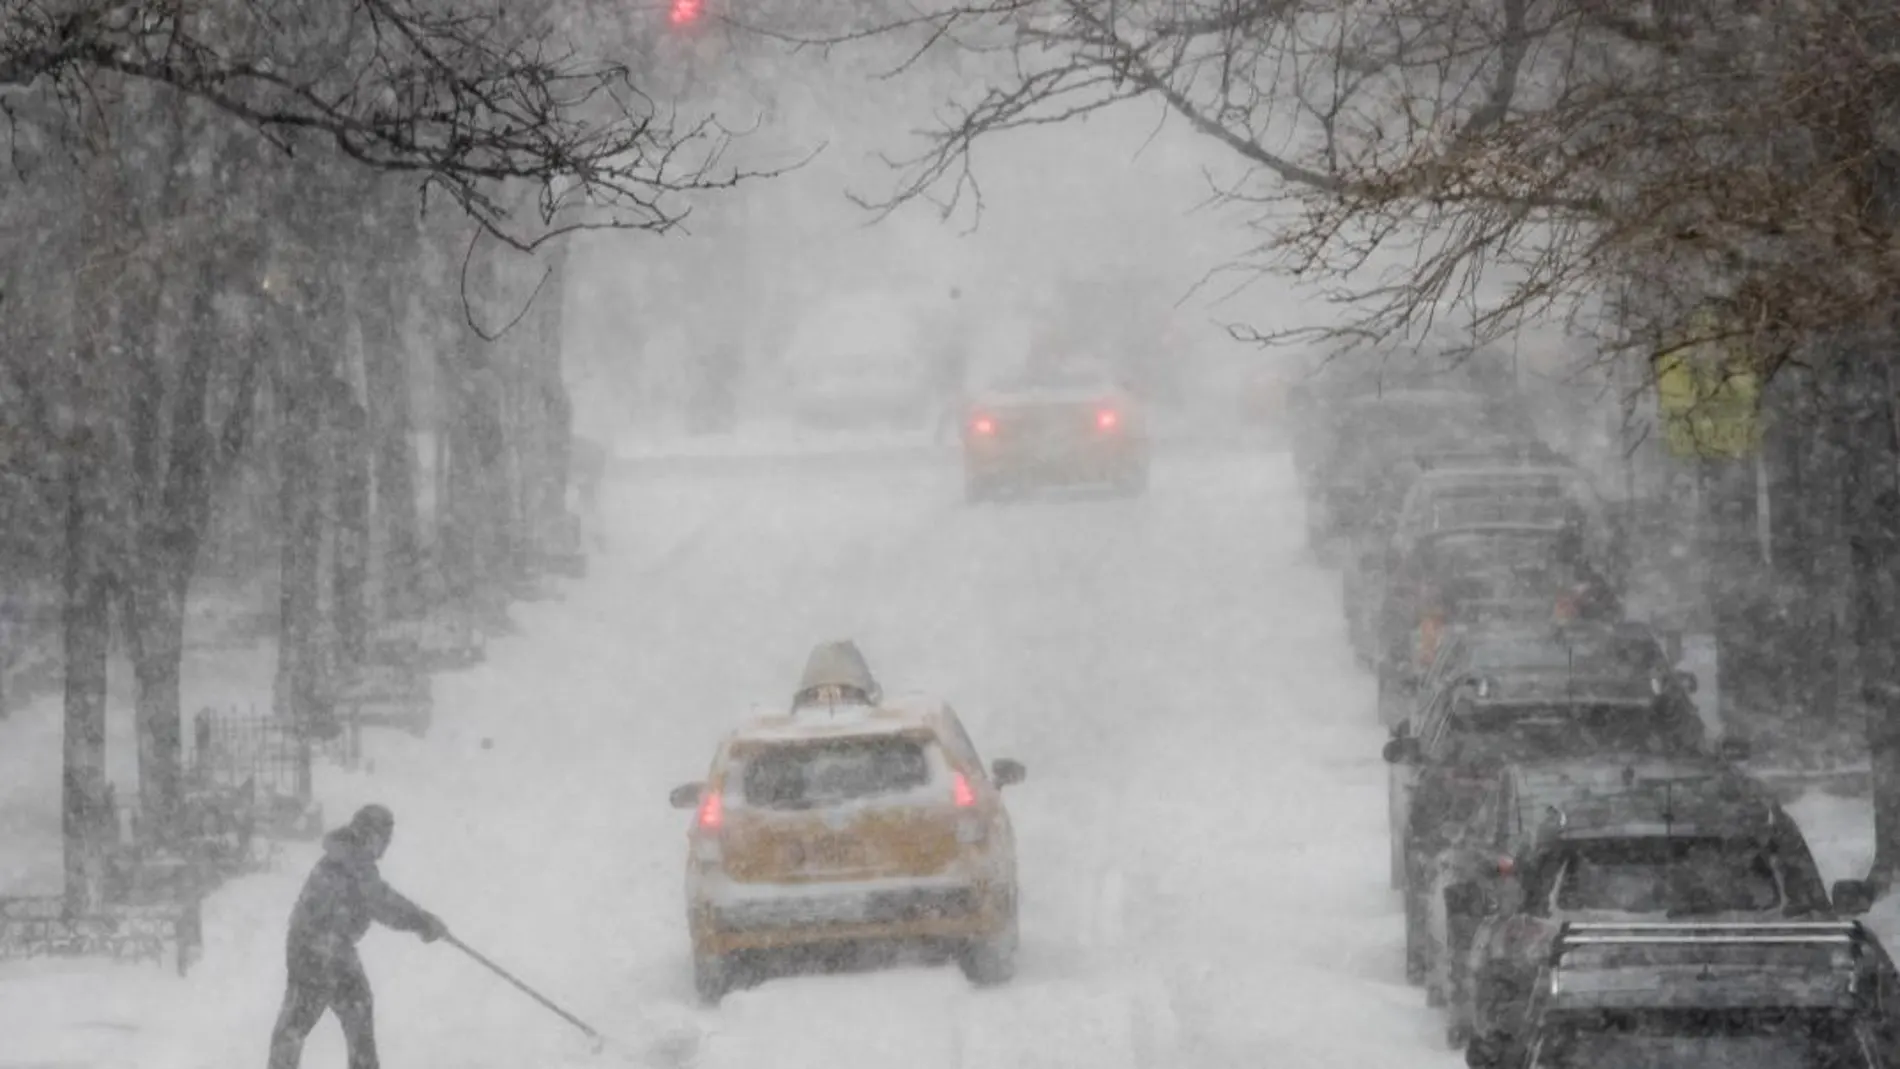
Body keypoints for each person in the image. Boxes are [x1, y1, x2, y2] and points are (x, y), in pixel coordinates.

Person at [268, 805, 448, 1069]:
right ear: (369, 834)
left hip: (325, 948)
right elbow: (382, 902)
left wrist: (421, 920)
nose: (386, 845)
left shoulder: (346, 855)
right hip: (318, 950)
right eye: (384, 837)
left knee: (349, 1012)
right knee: (303, 1023)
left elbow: (377, 897)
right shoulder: (354, 859)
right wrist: (421, 922)